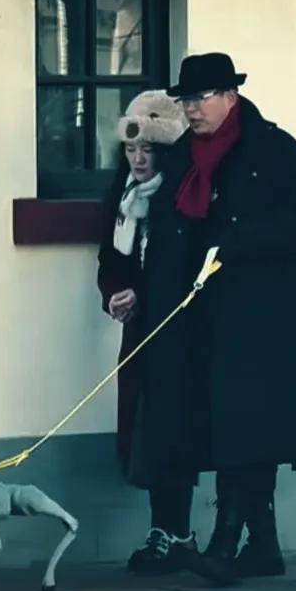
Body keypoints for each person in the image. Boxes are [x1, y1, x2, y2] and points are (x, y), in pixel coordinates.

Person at [123, 52, 296, 585]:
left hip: (259, 320)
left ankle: (224, 543)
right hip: (199, 321)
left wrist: (237, 244)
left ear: (231, 97)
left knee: (248, 427)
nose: (192, 109)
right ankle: (263, 548)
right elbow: (169, 234)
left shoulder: (276, 152)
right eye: (186, 99)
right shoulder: (182, 158)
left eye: (202, 98)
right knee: (221, 426)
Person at [97, 90, 192, 565]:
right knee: (144, 433)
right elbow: (110, 260)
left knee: (172, 431)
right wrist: (114, 295)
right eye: (131, 150)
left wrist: (145, 296)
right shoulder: (124, 200)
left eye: (147, 150)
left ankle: (177, 532)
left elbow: (179, 268)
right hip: (139, 335)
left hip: (176, 334)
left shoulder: (180, 200)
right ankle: (163, 529)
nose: (137, 159)